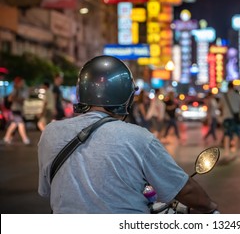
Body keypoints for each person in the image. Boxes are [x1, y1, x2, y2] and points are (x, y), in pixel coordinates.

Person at [37, 55, 218, 214]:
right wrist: (210, 207)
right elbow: (184, 190)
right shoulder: (139, 138)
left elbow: (47, 191)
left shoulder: (50, 133)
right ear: (127, 97)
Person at [2, 77, 30, 145]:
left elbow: (22, 100)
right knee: (21, 123)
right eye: (20, 82)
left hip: (19, 109)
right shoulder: (15, 89)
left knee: (14, 124)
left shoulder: (22, 90)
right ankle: (25, 139)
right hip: (15, 109)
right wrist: (17, 98)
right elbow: (10, 99)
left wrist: (16, 99)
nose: (22, 83)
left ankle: (6, 138)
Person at [219, 81, 240, 156]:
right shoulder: (237, 96)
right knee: (236, 134)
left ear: (227, 87)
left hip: (227, 117)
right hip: (235, 118)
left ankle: (226, 151)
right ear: (233, 87)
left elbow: (220, 106)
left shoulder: (224, 96)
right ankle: (235, 150)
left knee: (227, 134)